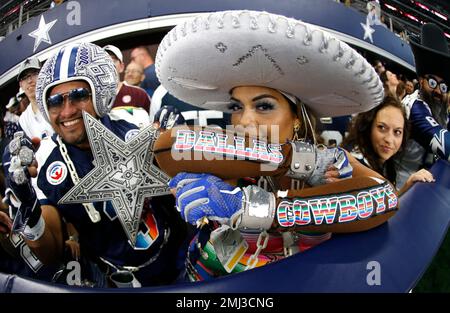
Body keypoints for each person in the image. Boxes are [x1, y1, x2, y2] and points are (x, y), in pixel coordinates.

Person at [156, 10, 393, 280]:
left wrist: (249, 207)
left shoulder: (332, 164)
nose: (244, 120)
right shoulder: (222, 153)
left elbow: (383, 199)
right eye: (236, 107)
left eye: (264, 106)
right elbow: (169, 147)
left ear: (295, 118)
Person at [2, 42, 189, 287]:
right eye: (56, 101)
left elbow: (184, 184)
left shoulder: (137, 123)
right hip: (115, 281)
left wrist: (182, 141)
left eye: (79, 96)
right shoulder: (45, 162)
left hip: (180, 262)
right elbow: (49, 253)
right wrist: (27, 208)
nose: (67, 111)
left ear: (100, 93)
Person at [395, 23, 450, 189]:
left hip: (425, 188)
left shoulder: (439, 107)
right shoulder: (415, 108)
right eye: (433, 82)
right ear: (421, 80)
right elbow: (445, 145)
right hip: (402, 192)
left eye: (444, 87)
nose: (438, 91)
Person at [343, 95, 434, 195]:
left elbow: (387, 203)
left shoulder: (385, 162)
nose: (389, 139)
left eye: (397, 132)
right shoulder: (354, 166)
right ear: (368, 126)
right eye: (382, 127)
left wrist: (407, 185)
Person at [103, 45, 151, 128]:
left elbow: (152, 127)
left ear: (121, 67)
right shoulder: (91, 98)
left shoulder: (139, 94)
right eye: (104, 61)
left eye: (113, 60)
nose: (108, 65)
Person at [17, 57, 54, 140]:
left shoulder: (57, 101)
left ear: (43, 74)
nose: (29, 81)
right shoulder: (23, 120)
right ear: (21, 85)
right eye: (24, 78)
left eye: (34, 74)